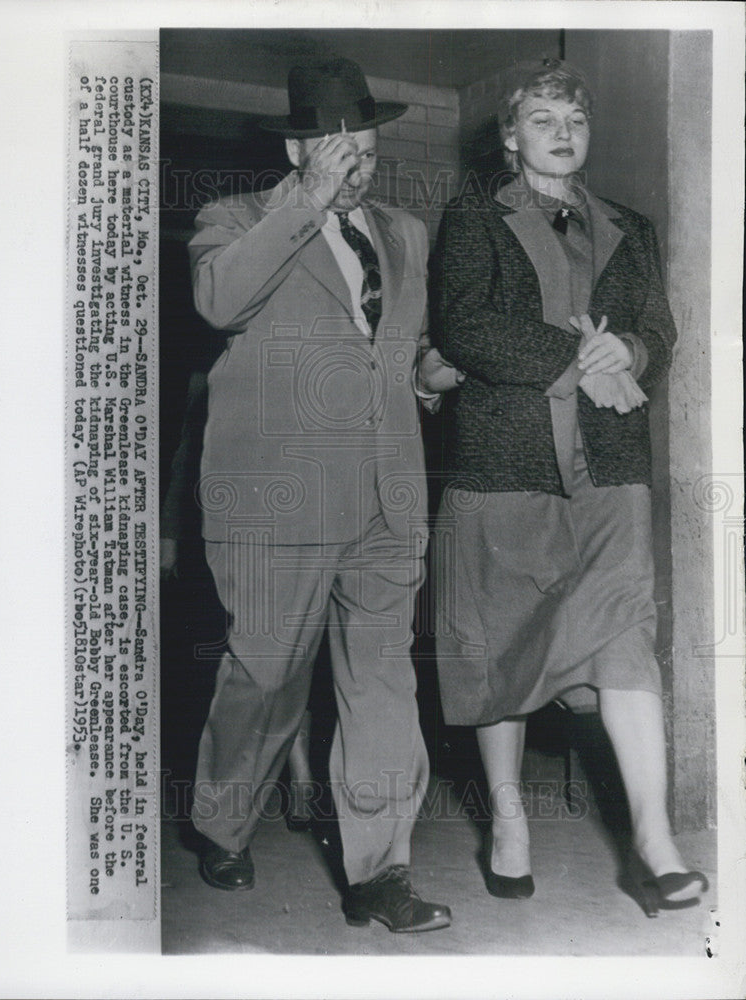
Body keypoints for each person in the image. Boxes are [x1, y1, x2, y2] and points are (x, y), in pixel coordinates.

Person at [422, 58, 707, 916]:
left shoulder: (631, 225)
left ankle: (654, 845)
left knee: (625, 636)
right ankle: (507, 819)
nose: (560, 134)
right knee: (501, 648)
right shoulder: (474, 214)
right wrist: (577, 362)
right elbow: (465, 325)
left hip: (610, 468)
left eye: (573, 121)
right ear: (510, 137)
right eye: (542, 119)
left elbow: (655, 322)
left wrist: (637, 353)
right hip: (506, 466)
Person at [186, 56, 451, 933]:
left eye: (369, 154)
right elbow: (221, 303)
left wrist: (431, 373)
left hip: (386, 496)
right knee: (265, 677)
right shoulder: (231, 220)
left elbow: (396, 349)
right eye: (340, 152)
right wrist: (303, 201)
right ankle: (221, 822)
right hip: (277, 499)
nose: (358, 170)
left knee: (381, 683)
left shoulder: (405, 233)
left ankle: (381, 873)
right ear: (301, 148)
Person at [160, 369, 314, 832]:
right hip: (240, 525)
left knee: (302, 652)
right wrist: (168, 532)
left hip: (310, 516)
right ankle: (237, 802)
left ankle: (300, 774)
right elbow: (190, 452)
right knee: (258, 659)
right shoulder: (217, 365)